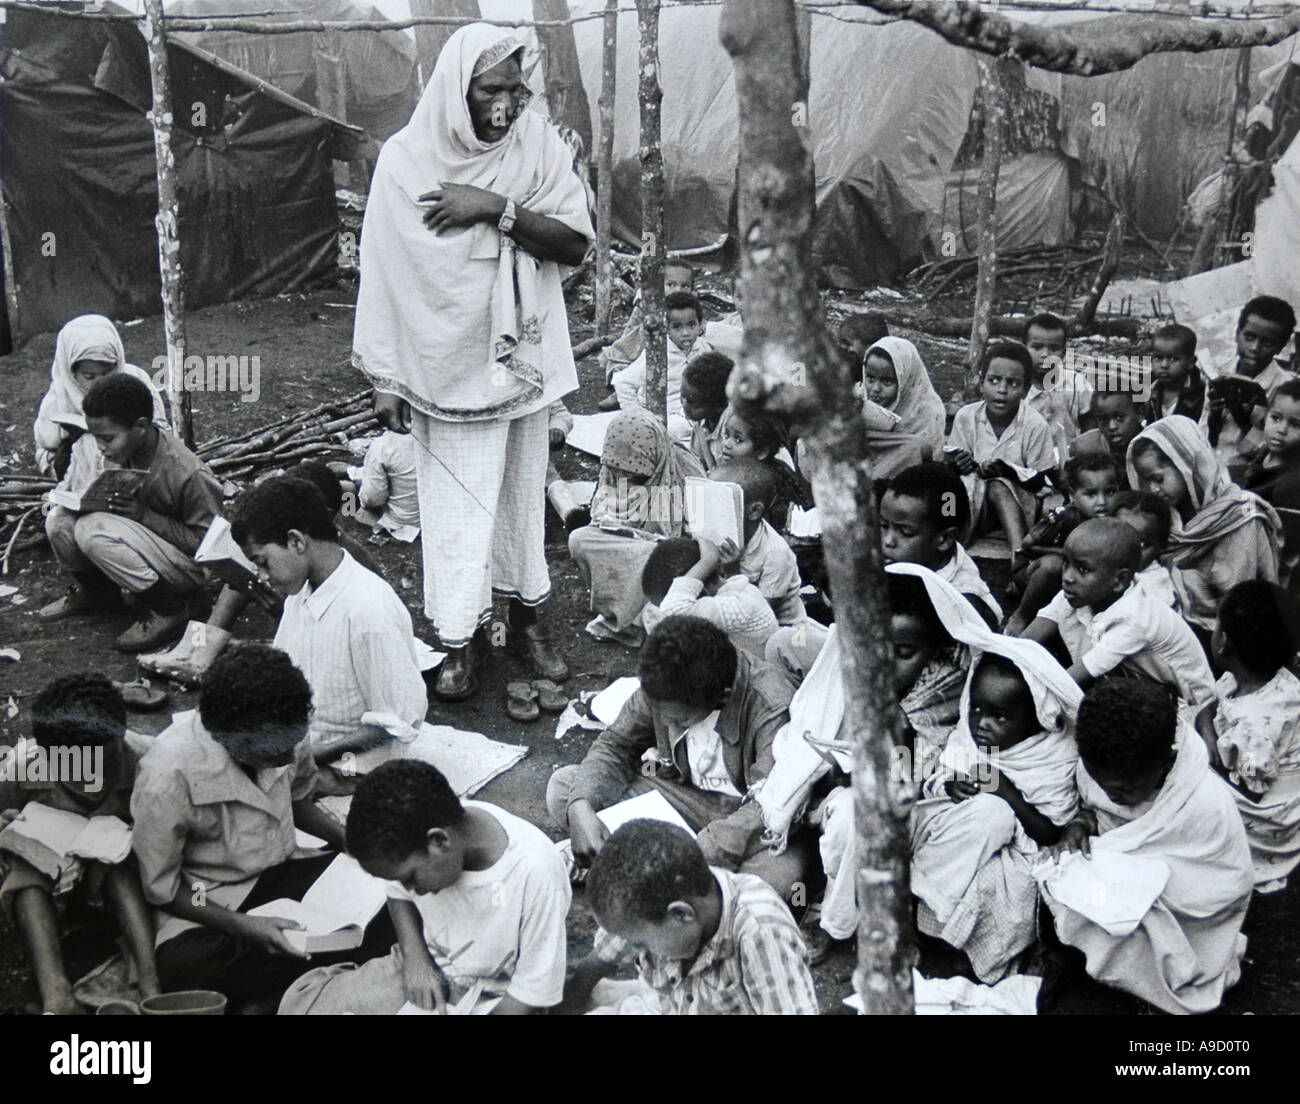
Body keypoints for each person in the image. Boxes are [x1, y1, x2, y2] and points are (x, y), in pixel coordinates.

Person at [353, 23, 594, 703]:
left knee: (521, 492)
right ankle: (460, 638)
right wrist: (386, 376)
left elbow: (575, 244)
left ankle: (524, 618)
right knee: (457, 506)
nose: (509, 104)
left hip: (521, 356)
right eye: (493, 89)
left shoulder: (536, 146)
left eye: (518, 89)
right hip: (441, 362)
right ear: (458, 89)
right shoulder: (406, 161)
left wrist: (496, 208)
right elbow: (385, 271)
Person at [130, 645, 374, 1011]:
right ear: (230, 739)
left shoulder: (284, 729)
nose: (289, 758)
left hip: (282, 871)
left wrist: (344, 840)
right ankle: (290, 988)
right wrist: (243, 926)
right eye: (274, 753)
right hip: (208, 899)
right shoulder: (166, 777)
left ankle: (271, 995)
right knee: (187, 968)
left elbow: (297, 798)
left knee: (387, 891)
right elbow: (165, 890)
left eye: (293, 745)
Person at [546, 616, 810, 900]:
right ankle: (667, 881)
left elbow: (771, 805)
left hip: (749, 818)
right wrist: (580, 806)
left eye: (679, 718)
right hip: (683, 800)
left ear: (722, 697)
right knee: (565, 789)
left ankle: (637, 870)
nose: (665, 721)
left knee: (772, 880)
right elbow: (616, 744)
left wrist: (700, 852)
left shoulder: (770, 704)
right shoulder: (665, 681)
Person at [281, 760, 570, 1014]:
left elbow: (528, 996)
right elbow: (397, 895)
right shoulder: (420, 836)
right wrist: (415, 956)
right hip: (424, 969)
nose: (411, 890)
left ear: (439, 842)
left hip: (495, 997)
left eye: (411, 878)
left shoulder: (535, 873)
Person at [1044, 678, 1253, 1015]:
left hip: (1181, 920)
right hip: (1118, 880)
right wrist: (1080, 825)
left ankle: (1140, 985)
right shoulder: (1101, 761)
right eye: (1101, 784)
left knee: (1127, 935)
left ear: (1164, 764)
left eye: (1122, 792)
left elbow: (1228, 885)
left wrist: (1139, 882)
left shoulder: (1206, 803)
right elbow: (1093, 808)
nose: (1111, 797)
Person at [913, 638, 1082, 982]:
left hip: (1023, 849)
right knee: (968, 839)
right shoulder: (970, 738)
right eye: (976, 708)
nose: (981, 724)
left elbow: (1052, 832)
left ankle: (969, 958)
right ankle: (920, 926)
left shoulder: (1052, 756)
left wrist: (1007, 793)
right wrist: (950, 784)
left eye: (999, 716)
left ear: (1036, 718)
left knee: (1007, 890)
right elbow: (941, 773)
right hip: (961, 841)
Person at [230, 476, 427, 760]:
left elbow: (396, 724)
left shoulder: (368, 610)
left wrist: (309, 757)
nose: (262, 576)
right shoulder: (299, 593)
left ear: (296, 541)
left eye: (263, 563)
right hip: (305, 746)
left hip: (353, 769)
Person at [0, 674, 160, 1014]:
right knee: (27, 872)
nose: (95, 778)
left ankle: (150, 983)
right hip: (50, 888)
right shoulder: (26, 767)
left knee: (121, 868)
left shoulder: (148, 762)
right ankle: (57, 994)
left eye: (106, 763)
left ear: (120, 738)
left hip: (122, 884)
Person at [38, 374, 223, 654]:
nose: (101, 446)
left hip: (188, 568)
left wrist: (143, 516)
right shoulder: (123, 451)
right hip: (147, 548)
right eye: (95, 437)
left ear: (140, 427)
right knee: (59, 521)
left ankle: (170, 609)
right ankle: (101, 596)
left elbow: (210, 548)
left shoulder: (187, 473)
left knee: (91, 530)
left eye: (108, 438)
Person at [562, 820, 818, 1015]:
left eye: (640, 944)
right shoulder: (641, 902)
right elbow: (595, 965)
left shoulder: (761, 933)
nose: (636, 949)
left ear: (681, 914)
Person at [1022, 518, 1215, 707]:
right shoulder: (1076, 593)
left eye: (1083, 569)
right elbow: (1025, 644)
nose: (1067, 577)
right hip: (1136, 685)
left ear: (1119, 581)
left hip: (1189, 707)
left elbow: (1068, 682)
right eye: (1066, 563)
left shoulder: (1135, 617)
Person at [1127, 415, 1281, 636]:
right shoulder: (1165, 519)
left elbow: (1237, 591)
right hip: (1173, 621)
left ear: (1188, 464)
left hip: (1232, 630)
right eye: (1146, 481)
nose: (1152, 489)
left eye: (1158, 479)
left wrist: (1181, 582)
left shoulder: (1240, 514)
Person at [1196, 581, 1300, 893]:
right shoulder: (1266, 678)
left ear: (1223, 641)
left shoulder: (1254, 731)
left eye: (1217, 625)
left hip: (1267, 819)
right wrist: (1207, 728)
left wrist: (1209, 756)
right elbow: (1211, 707)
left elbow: (1252, 784)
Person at [569, 407, 702, 647]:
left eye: (635, 475)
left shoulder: (685, 473)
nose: (624, 478)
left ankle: (637, 618)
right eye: (618, 471)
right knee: (578, 540)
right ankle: (617, 609)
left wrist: (649, 538)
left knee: (655, 555)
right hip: (624, 544)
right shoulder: (611, 470)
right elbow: (601, 511)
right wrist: (615, 523)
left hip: (660, 557)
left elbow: (693, 539)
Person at [946, 341, 1055, 561]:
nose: (1002, 390)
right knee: (948, 487)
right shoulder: (967, 416)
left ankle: (1018, 555)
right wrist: (960, 463)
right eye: (994, 381)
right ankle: (947, 539)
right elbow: (955, 460)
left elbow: (1041, 480)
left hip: (1019, 506)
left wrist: (1006, 472)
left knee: (997, 485)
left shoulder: (1035, 424)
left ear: (1025, 391)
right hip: (976, 505)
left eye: (1013, 383)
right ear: (981, 382)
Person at [33, 314, 169, 479]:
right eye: (89, 376)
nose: (100, 383)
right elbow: (44, 451)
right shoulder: (60, 396)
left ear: (117, 363)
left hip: (136, 465)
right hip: (80, 475)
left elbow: (162, 432)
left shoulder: (136, 380)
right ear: (72, 373)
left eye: (107, 373)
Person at [1004, 453, 1121, 636]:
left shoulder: (1115, 519)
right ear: (1072, 495)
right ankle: (1023, 614)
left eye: (1110, 492)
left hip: (1076, 579)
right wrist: (1067, 553)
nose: (1102, 502)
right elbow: (1027, 546)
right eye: (1091, 494)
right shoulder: (1063, 516)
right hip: (1033, 574)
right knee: (1053, 565)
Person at [878, 462, 1001, 625]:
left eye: (905, 532)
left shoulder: (964, 605)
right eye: (883, 526)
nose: (887, 541)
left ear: (944, 540)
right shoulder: (896, 563)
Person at [640, 536, 778, 660]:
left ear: (701, 590)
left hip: (756, 676)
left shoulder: (736, 604)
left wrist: (709, 559)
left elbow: (673, 608)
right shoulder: (732, 592)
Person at [712, 458, 807, 625]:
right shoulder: (718, 532)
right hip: (732, 616)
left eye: (720, 502)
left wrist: (733, 573)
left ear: (754, 511)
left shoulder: (776, 554)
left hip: (778, 633)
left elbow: (760, 616)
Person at [596, 259, 696, 411]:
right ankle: (621, 392)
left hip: (676, 354)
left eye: (685, 286)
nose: (678, 290)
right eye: (671, 285)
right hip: (639, 351)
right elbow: (629, 335)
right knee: (624, 367)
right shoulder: (647, 304)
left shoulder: (690, 308)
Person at [612, 290, 712, 441]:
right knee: (674, 430)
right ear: (667, 329)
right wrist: (635, 413)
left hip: (695, 414)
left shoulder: (704, 349)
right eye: (677, 327)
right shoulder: (657, 353)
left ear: (700, 324)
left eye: (692, 325)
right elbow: (622, 382)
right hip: (665, 415)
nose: (686, 333)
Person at [1209, 294, 1296, 464]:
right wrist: (1214, 419)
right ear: (1237, 335)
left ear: (1280, 348)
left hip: (1247, 477)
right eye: (1249, 337)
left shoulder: (1286, 389)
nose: (1255, 348)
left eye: (1267, 343)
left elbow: (1276, 457)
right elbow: (1202, 436)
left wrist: (1243, 419)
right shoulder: (1218, 372)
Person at [1239, 378, 1300, 591]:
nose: (1281, 430)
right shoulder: (1263, 454)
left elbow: (1282, 550)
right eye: (1276, 418)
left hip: (1269, 574)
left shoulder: (1292, 485)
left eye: (1295, 425)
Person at [714, 405, 812, 533]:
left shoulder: (763, 482)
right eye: (727, 435)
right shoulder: (737, 471)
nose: (726, 444)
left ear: (761, 452)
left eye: (738, 440)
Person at [859, 336, 947, 479]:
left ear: (906, 379)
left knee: (916, 448)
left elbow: (930, 465)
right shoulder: (861, 399)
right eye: (870, 378)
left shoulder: (927, 413)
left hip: (905, 487)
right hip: (857, 476)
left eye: (886, 381)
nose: (875, 389)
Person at [1023, 311, 1094, 460]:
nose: (1045, 354)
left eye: (1054, 349)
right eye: (1037, 347)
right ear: (1024, 348)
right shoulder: (1017, 386)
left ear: (1063, 352)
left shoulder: (1076, 383)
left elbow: (1090, 428)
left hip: (1070, 459)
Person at [337, 429, 420, 541]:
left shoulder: (384, 445)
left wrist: (361, 491)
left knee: (348, 490)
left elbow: (372, 499)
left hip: (405, 521)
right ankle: (352, 473)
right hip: (440, 514)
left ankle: (348, 509)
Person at [1111, 489, 1177, 608]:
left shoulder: (1154, 585)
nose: (1127, 552)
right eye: (1118, 539)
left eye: (1142, 545)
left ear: (1161, 546)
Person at [1145, 323, 1208, 432]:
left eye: (1173, 359)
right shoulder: (1147, 389)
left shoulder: (1199, 394)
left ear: (1190, 362)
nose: (1164, 365)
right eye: (1158, 358)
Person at [680, 351, 733, 472]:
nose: (684, 405)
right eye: (683, 397)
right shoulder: (700, 424)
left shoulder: (734, 430)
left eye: (693, 403)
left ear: (719, 406)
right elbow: (697, 463)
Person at [1073, 387, 1145, 476]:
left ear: (1140, 413)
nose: (1112, 427)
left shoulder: (1155, 443)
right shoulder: (1088, 448)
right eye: (1103, 420)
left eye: (1119, 418)